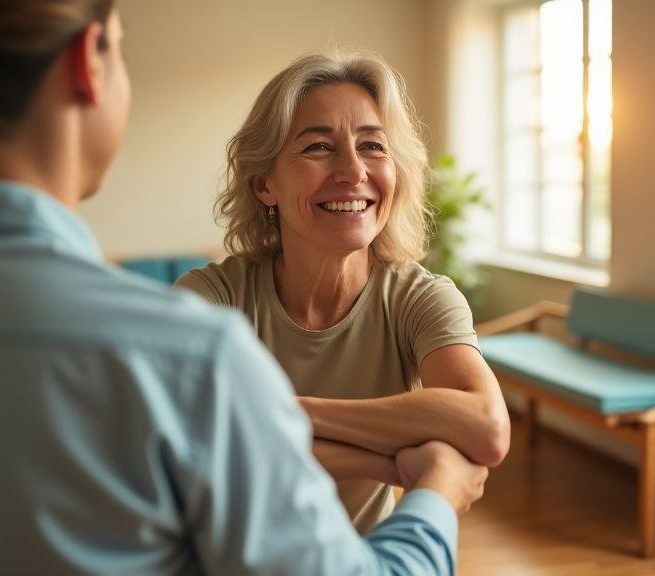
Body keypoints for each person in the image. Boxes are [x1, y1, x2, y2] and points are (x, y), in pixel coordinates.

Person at [0, 1, 487, 574]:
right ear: (91, 60)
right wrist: (437, 492)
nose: (351, 169)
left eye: (372, 148)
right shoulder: (189, 358)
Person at [176, 51, 510, 531]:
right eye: (318, 148)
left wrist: (283, 409)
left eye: (373, 146)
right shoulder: (211, 297)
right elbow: (187, 440)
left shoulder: (421, 298)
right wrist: (384, 461)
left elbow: (486, 426)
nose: (353, 171)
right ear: (264, 184)